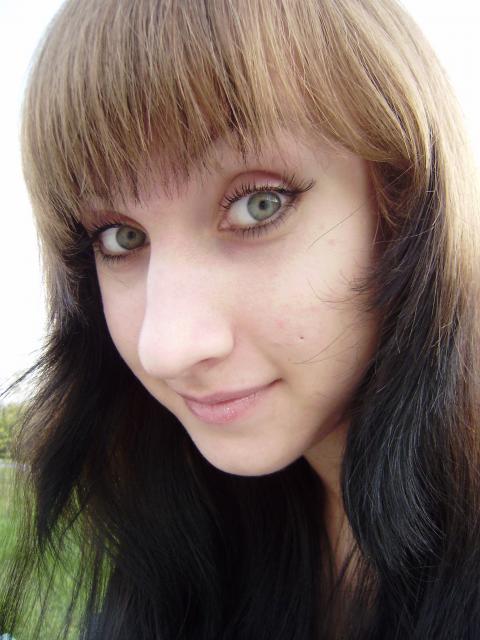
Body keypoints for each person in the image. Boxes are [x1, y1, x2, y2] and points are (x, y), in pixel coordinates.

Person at [1, 0, 479, 638]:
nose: (167, 347)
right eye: (120, 237)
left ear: (408, 197)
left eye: (259, 204)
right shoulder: (182, 529)